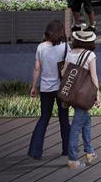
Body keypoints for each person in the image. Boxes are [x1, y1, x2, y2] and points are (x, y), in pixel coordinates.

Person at [27, 19, 70, 160]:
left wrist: (34, 86)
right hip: (61, 88)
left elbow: (36, 68)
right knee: (63, 118)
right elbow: (69, 68)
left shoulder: (41, 47)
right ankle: (67, 149)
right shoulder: (65, 47)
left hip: (45, 88)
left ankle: (35, 151)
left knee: (44, 118)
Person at [64, 26, 99, 169]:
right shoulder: (90, 56)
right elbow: (94, 77)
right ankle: (72, 159)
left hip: (72, 93)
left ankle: (90, 152)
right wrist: (97, 95)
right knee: (76, 126)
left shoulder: (70, 53)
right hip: (84, 95)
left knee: (86, 121)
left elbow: (64, 73)